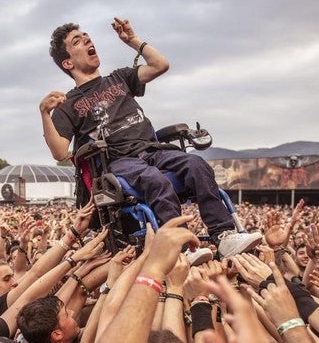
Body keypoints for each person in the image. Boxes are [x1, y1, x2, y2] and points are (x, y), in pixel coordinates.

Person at [39, 17, 262, 257]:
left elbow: (160, 65)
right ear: (68, 62)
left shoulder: (119, 77)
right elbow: (60, 152)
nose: (86, 40)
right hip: (119, 162)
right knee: (154, 179)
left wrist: (133, 40)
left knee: (196, 164)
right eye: (77, 41)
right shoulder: (68, 103)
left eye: (85, 36)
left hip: (152, 149)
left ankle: (223, 235)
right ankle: (183, 246)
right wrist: (44, 113)